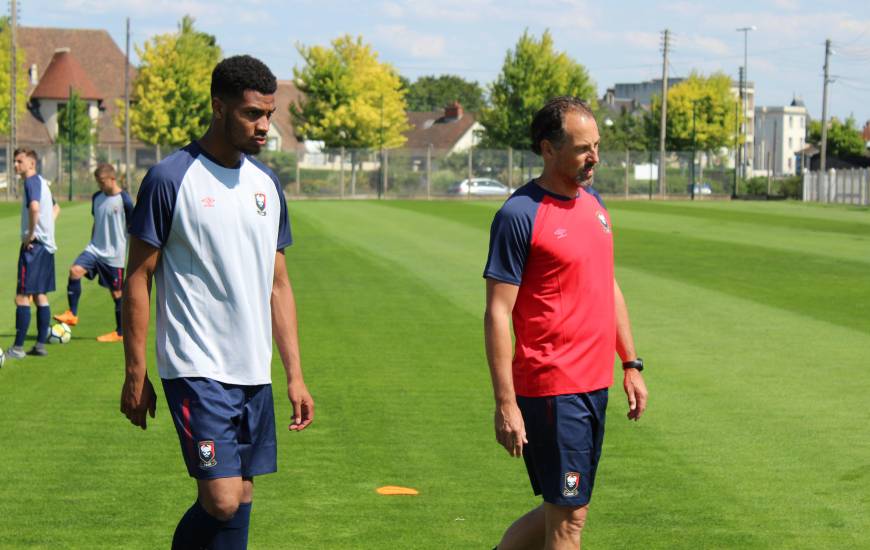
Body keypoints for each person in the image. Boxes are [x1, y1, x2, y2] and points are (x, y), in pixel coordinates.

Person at [120, 55, 314, 549]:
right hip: (196, 368)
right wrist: (135, 373)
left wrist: (293, 373)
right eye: (252, 113)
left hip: (252, 370)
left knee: (242, 495)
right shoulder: (170, 179)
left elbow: (279, 285)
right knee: (223, 499)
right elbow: (138, 278)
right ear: (218, 107)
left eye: (269, 114)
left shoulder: (266, 186)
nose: (264, 126)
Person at [483, 97, 648, 550]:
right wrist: (505, 403)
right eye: (582, 148)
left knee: (567, 507)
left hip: (595, 384)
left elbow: (607, 285)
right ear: (548, 149)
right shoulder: (520, 215)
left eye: (597, 146)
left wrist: (630, 363)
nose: (595, 157)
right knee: (569, 519)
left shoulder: (594, 204)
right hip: (553, 386)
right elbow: (498, 312)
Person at [54, 163, 133, 342]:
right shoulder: (97, 197)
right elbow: (97, 221)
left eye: (102, 182)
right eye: (98, 182)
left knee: (117, 294)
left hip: (115, 256)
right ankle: (72, 314)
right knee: (75, 271)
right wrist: (92, 242)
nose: (100, 186)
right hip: (94, 249)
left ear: (113, 179)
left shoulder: (125, 201)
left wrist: (129, 255)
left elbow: (132, 228)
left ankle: (120, 332)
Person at [7, 147, 58, 359]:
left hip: (34, 247)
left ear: (31, 163)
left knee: (22, 297)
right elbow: (56, 209)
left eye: (19, 161)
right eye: (14, 161)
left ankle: (18, 348)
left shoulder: (30, 183)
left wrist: (31, 235)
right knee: (39, 295)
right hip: (46, 246)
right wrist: (46, 230)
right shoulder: (43, 183)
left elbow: (35, 208)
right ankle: (39, 344)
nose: (15, 165)